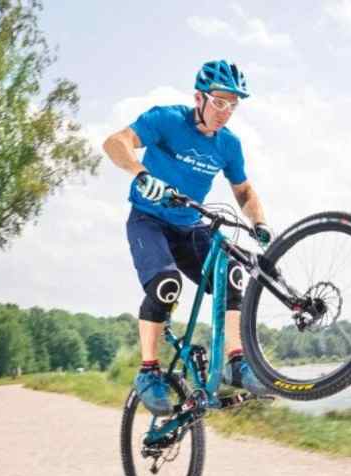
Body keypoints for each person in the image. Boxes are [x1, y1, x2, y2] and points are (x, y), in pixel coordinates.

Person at [102, 60, 273, 416]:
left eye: (232, 105)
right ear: (199, 98)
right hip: (148, 220)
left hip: (190, 227)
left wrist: (259, 222)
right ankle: (148, 372)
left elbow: (243, 192)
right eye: (219, 102)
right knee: (166, 284)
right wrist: (141, 174)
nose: (225, 112)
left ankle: (235, 362)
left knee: (232, 273)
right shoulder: (166, 120)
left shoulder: (228, 145)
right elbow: (116, 142)